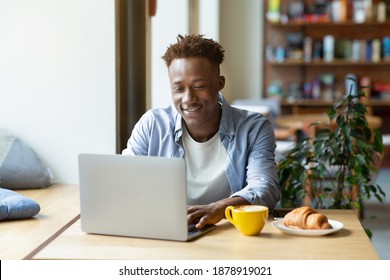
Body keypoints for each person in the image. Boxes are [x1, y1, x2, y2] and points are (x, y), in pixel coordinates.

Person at [123, 34, 280, 229]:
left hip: (229, 233)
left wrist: (218, 208)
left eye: (199, 86)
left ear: (219, 84)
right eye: (178, 88)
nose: (188, 98)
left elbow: (265, 188)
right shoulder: (152, 124)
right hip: (167, 231)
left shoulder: (254, 128)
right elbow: (125, 180)